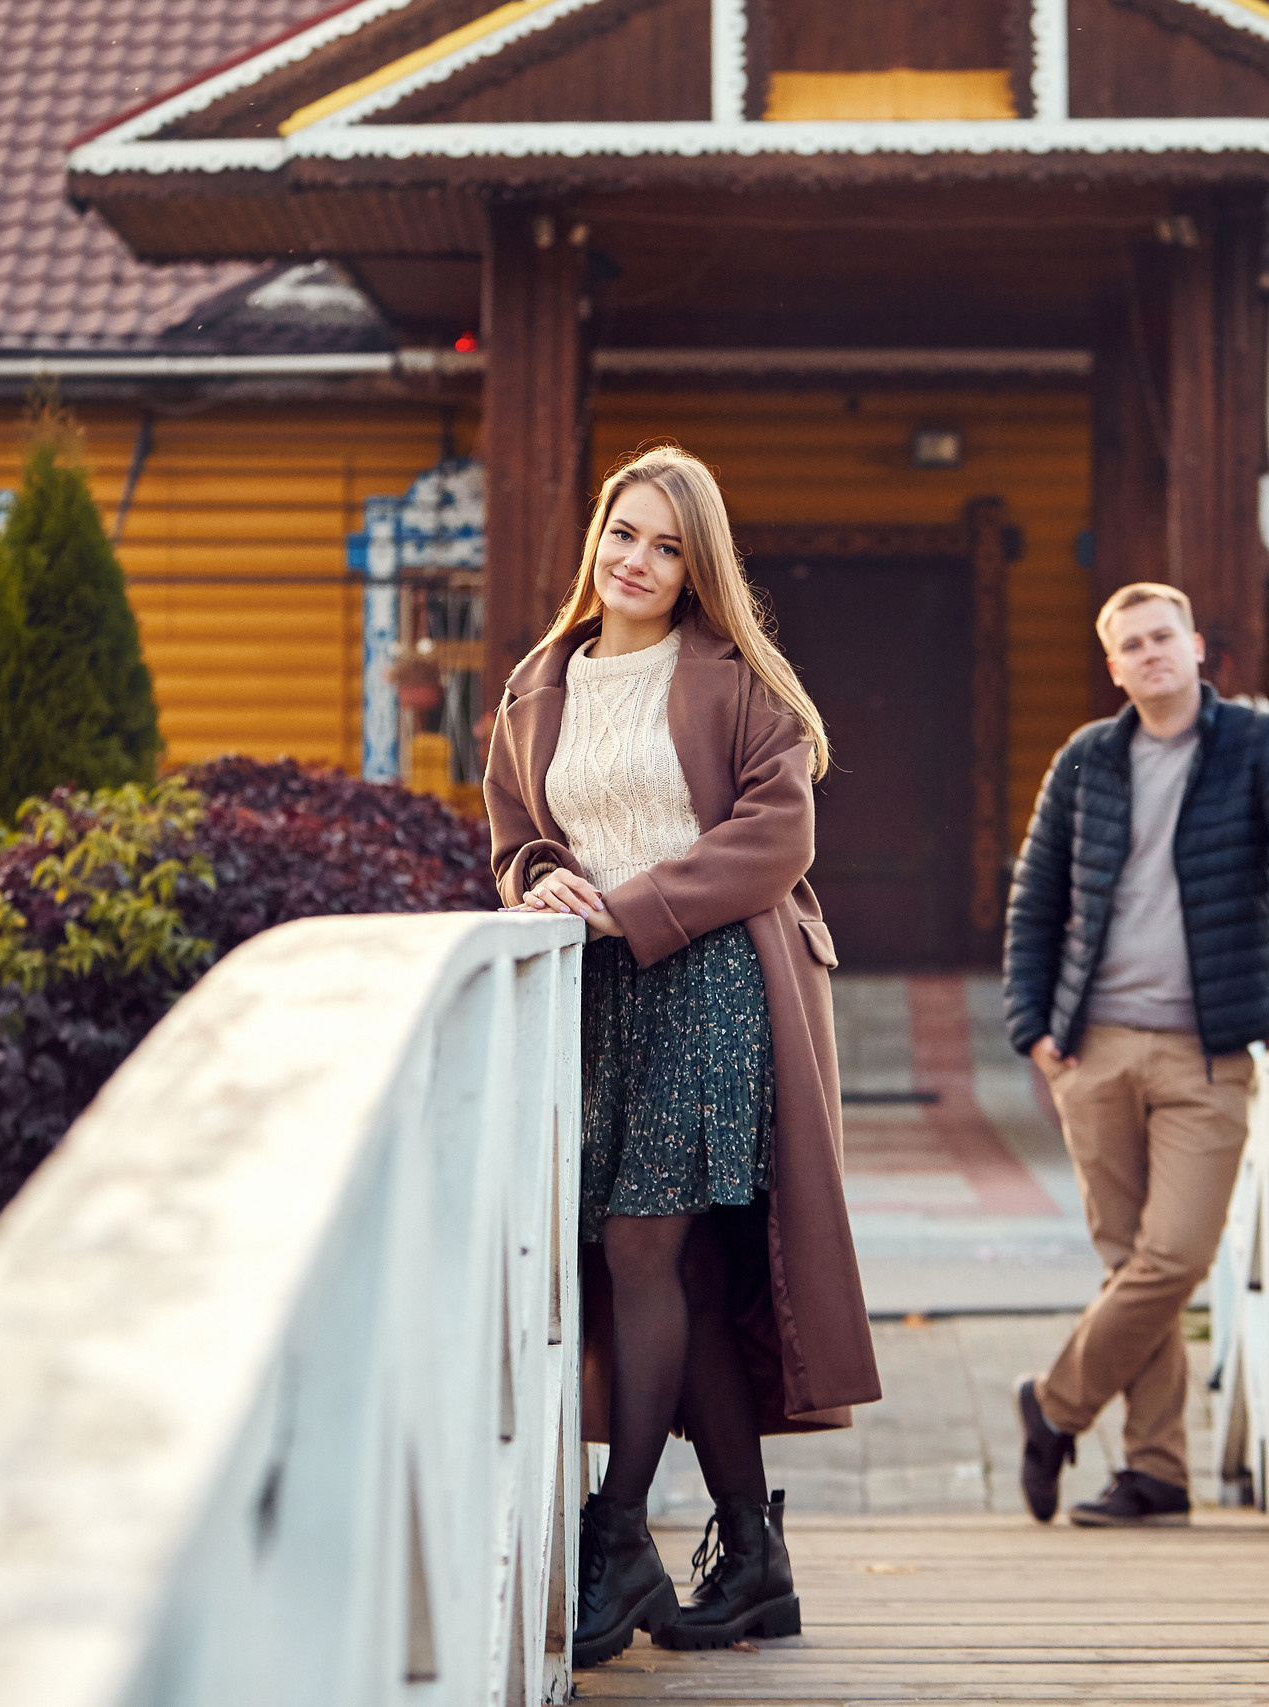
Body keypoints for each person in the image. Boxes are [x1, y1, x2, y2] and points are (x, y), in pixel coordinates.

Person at [486, 445, 880, 1665]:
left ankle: (616, 1537)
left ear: (695, 563)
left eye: (666, 545)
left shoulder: (733, 680)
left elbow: (778, 834)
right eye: (624, 534)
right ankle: (753, 1560)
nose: (638, 561)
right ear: (595, 537)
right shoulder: (538, 683)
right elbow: (514, 837)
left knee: (640, 1242)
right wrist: (542, 881)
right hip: (598, 996)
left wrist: (635, 903)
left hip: (711, 977)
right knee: (684, 1274)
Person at [1003, 582, 1269, 1527]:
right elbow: (1035, 898)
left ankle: (1053, 1407)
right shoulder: (1086, 761)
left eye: (1163, 635)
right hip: (1092, 1050)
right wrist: (1034, 1031)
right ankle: (1158, 1472)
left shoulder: (1261, 747)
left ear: (1198, 646)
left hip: (1206, 1053)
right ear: (1114, 665)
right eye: (1130, 643)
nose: (1150, 652)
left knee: (1172, 1255)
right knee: (1130, 1261)